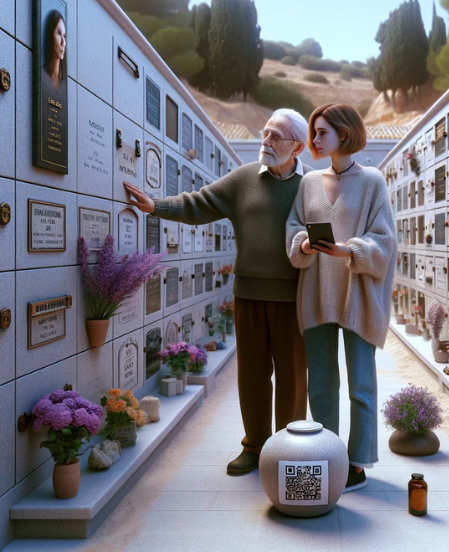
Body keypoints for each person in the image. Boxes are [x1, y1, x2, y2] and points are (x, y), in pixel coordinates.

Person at [124, 109, 311, 475]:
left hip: (294, 299)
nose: (266, 141)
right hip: (249, 294)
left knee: (292, 377)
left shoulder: (312, 186)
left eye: (276, 136)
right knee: (252, 375)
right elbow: (199, 203)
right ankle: (255, 446)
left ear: (298, 147)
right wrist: (156, 206)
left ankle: (287, 447)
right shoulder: (244, 179)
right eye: (266, 133)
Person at [286, 103, 396, 492]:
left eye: (321, 132)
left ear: (344, 134)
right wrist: (305, 244)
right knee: (321, 383)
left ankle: (357, 462)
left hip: (357, 297)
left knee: (361, 385)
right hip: (316, 294)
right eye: (314, 132)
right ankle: (328, 456)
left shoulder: (372, 181)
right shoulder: (308, 182)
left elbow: (385, 239)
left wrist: (350, 250)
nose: (314, 139)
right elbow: (295, 228)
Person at [43, 9, 66, 93]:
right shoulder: (43, 75)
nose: (63, 43)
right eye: (58, 33)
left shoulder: (64, 81)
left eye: (64, 36)